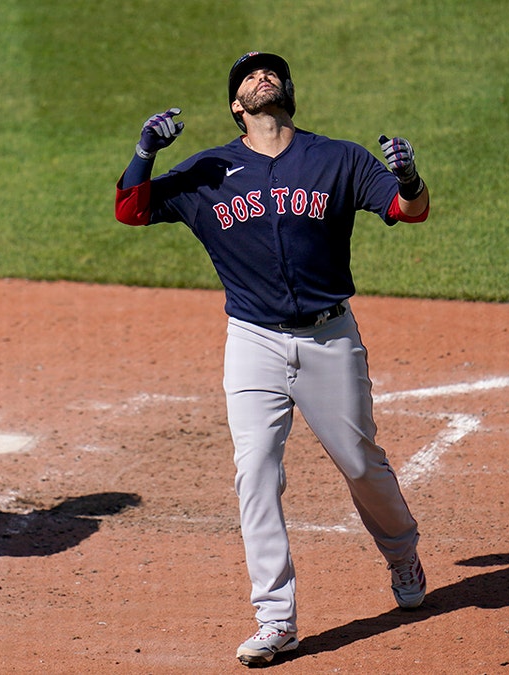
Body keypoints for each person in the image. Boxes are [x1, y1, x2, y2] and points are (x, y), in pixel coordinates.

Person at [115, 52, 431, 665]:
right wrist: (145, 151)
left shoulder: (337, 158)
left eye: (270, 73)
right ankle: (276, 617)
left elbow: (407, 210)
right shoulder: (208, 170)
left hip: (329, 336)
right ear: (237, 105)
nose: (261, 77)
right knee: (255, 471)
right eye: (247, 77)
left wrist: (412, 178)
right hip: (252, 341)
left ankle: (402, 555)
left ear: (287, 92)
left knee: (361, 463)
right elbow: (131, 209)